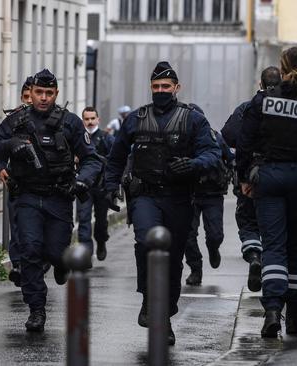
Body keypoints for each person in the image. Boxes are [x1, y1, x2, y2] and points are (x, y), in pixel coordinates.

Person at [103, 61, 221, 345]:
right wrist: (109, 186)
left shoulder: (193, 119)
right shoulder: (136, 118)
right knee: (146, 242)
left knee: (172, 260)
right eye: (155, 87)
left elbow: (212, 153)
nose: (160, 91)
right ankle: (148, 299)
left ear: (176, 88)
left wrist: (192, 165)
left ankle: (165, 314)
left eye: (165, 87)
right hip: (145, 196)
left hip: (179, 199)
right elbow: (116, 157)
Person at [0, 69, 100, 332]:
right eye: (39, 92)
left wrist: (82, 180)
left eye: (49, 93)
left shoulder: (70, 123)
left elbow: (92, 159)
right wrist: (11, 145)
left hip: (59, 197)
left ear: (56, 94)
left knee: (56, 252)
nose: (43, 98)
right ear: (32, 93)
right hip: (27, 196)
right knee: (29, 251)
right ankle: (36, 308)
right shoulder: (16, 121)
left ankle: (62, 264)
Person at [236, 47, 297, 338]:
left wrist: (244, 178)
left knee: (274, 245)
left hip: (270, 178)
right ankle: (293, 317)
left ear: (281, 66)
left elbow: (244, 140)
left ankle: (272, 311)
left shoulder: (263, 100)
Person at [221, 66, 282, 292]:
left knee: (247, 220)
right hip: (281, 173)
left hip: (252, 175)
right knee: (275, 224)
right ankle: (271, 273)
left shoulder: (248, 107)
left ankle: (254, 256)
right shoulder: (287, 107)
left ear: (261, 84)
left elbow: (228, 135)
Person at [183, 104, 234, 285]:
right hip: (189, 193)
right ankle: (196, 269)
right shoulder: (181, 139)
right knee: (188, 236)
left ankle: (213, 249)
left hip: (212, 193)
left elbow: (229, 158)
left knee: (215, 235)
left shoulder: (215, 138)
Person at [0, 76, 34, 286]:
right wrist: (1, 167)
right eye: (26, 97)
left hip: (44, 185)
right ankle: (18, 265)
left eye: (33, 96)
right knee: (17, 226)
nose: (29, 101)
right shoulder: (13, 120)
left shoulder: (53, 118)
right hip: (18, 181)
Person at [76, 106, 114, 260]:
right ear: (83, 121)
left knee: (101, 221)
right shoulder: (78, 138)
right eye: (87, 119)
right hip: (83, 186)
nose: (90, 122)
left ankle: (101, 242)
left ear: (98, 119)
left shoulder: (107, 138)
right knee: (83, 219)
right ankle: (86, 254)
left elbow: (115, 160)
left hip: (102, 187)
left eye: (93, 118)